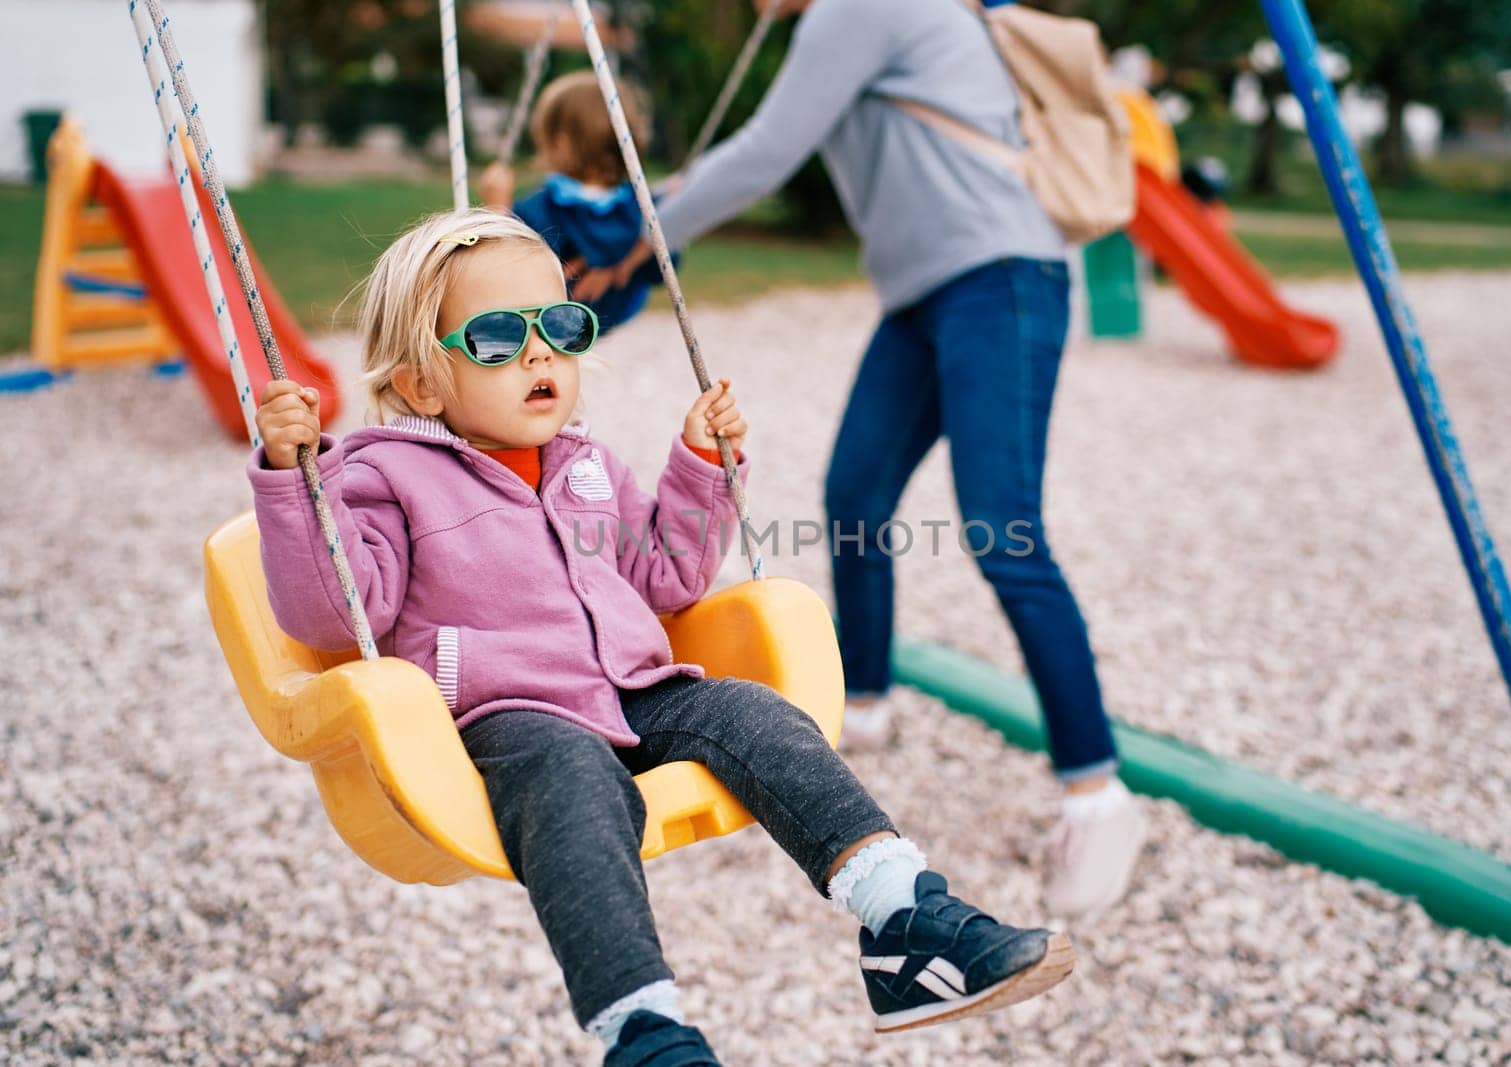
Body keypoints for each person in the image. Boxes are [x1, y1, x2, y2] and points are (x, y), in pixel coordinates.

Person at [248, 208, 1073, 1065]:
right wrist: (296, 482)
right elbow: (335, 612)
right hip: (512, 718)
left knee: (754, 711)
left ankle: (905, 920)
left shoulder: (588, 463)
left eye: (559, 327)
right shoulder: (387, 478)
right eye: (497, 337)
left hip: (637, 689)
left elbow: (666, 578)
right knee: (572, 774)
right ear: (422, 383)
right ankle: (642, 1029)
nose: (540, 355)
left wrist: (699, 467)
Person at [577, 0, 1146, 919]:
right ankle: (869, 701)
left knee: (1005, 530)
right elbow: (758, 146)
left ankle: (1100, 792)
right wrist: (637, 219)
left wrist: (637, 242)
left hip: (998, 277)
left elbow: (766, 153)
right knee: (855, 494)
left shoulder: (859, 4)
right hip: (929, 293)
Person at [479, 72, 665, 334]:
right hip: (621, 304)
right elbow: (666, 257)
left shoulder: (545, 209)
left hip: (560, 317)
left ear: (561, 144)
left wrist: (497, 208)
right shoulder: (642, 204)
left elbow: (511, 267)